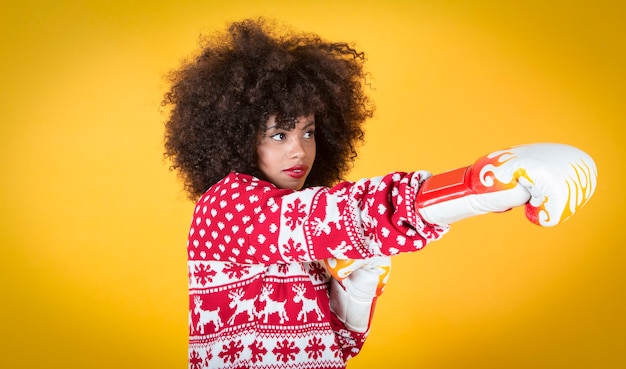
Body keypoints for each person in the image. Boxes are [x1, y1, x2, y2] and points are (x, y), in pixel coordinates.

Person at [162, 18, 597, 369]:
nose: (300, 150)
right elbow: (348, 214)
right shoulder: (225, 205)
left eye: (309, 131)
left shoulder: (297, 218)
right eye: (278, 134)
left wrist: (356, 298)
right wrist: (481, 184)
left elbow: (331, 351)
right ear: (235, 137)